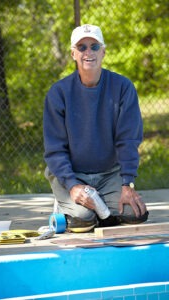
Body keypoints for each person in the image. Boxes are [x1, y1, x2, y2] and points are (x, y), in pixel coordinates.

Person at [43, 24, 148, 232]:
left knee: (134, 215)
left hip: (110, 172)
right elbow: (55, 149)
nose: (88, 52)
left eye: (94, 46)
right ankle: (71, 206)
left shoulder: (123, 87)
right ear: (73, 53)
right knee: (83, 221)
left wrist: (128, 184)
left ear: (103, 52)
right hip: (72, 174)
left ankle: (102, 204)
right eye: (81, 47)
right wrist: (72, 185)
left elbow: (128, 140)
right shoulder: (58, 93)